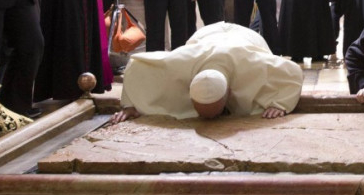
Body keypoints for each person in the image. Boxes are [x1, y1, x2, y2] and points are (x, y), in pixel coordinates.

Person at [110, 22, 303, 123]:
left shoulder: (252, 64)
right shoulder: (181, 63)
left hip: (246, 39)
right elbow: (136, 66)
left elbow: (293, 70)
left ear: (229, 93)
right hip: (205, 37)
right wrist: (131, 105)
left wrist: (281, 103)